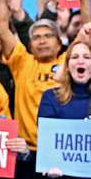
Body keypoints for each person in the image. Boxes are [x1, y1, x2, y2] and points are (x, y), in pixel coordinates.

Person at [0, 0, 72, 176]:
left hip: (62, 153)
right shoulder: (22, 61)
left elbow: (87, 28)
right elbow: (2, 27)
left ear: (59, 42)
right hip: (26, 152)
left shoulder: (70, 61)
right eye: (36, 37)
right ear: (29, 45)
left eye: (48, 36)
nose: (42, 41)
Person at [36, 39, 91, 178]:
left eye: (87, 57)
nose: (80, 61)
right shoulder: (50, 98)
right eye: (74, 57)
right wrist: (50, 164)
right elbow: (48, 143)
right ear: (67, 65)